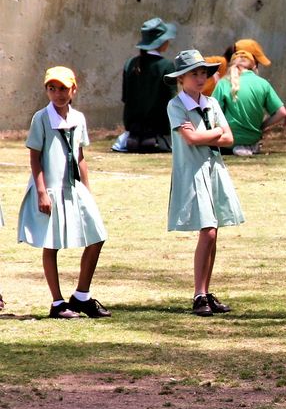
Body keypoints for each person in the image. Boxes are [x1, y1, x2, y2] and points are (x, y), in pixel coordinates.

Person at [17, 67, 111, 319]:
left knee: (97, 236)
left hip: (73, 188)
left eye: (63, 89)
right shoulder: (41, 119)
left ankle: (81, 295)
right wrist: (41, 192)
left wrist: (87, 192)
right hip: (50, 189)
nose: (58, 94)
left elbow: (80, 156)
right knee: (51, 243)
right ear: (46, 90)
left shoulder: (78, 118)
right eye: (52, 88)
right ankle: (57, 303)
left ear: (74, 90)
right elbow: (35, 158)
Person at [165, 50, 245, 316]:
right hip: (192, 172)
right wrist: (216, 133)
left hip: (214, 170)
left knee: (214, 231)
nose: (200, 79)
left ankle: (206, 291)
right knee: (208, 230)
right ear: (181, 79)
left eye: (203, 73)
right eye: (194, 74)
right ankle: (199, 294)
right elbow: (192, 139)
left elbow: (230, 138)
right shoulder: (176, 106)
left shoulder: (211, 103)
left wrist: (211, 135)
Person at [213, 41, 286, 156]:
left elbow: (212, 113)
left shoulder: (223, 83)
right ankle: (248, 147)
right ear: (254, 65)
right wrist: (261, 126)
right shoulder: (263, 84)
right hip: (252, 139)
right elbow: (282, 112)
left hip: (227, 142)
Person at [118, 17, 177, 152]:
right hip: (159, 134)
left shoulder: (130, 64)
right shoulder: (167, 66)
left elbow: (125, 98)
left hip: (133, 134)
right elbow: (172, 101)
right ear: (161, 42)